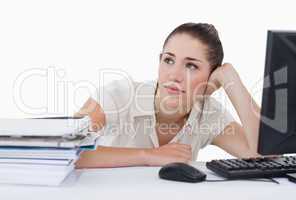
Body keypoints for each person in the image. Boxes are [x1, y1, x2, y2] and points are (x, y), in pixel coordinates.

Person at [74, 22, 261, 168]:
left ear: (211, 75)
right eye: (169, 60)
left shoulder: (209, 113)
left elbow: (261, 154)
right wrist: (148, 155)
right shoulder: (117, 96)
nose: (174, 75)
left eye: (191, 66)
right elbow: (62, 149)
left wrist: (230, 79)